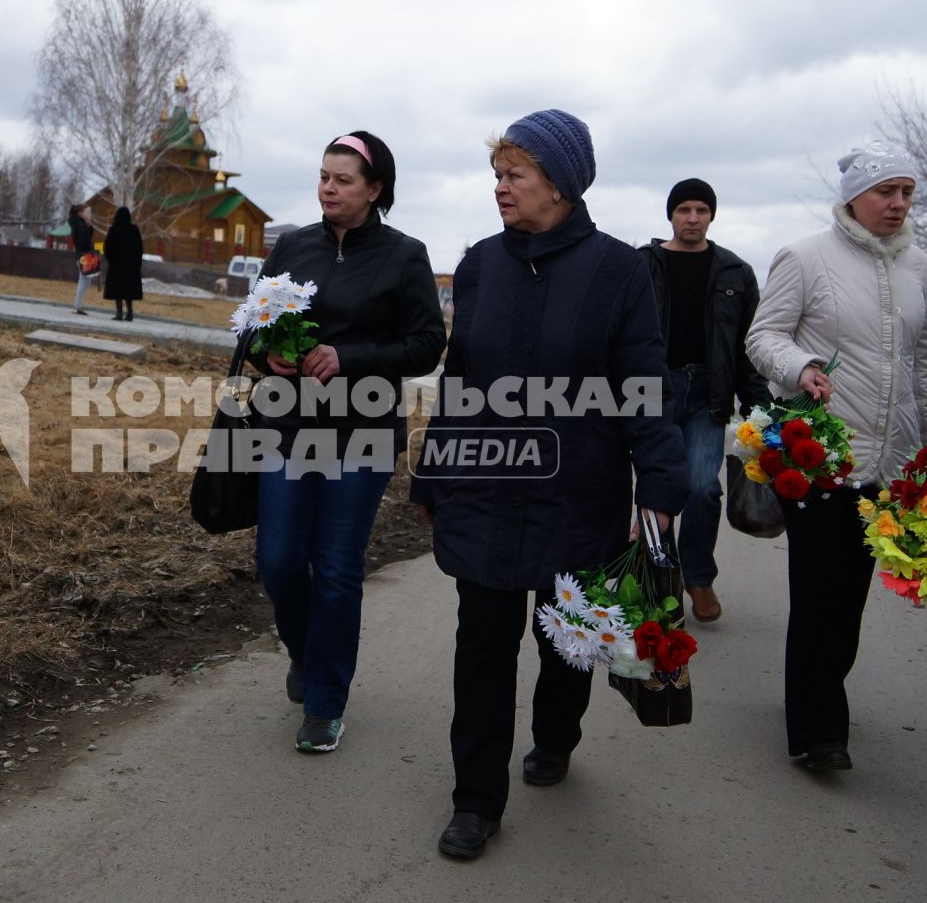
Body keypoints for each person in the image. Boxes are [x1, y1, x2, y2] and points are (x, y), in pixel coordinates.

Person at [412, 110, 687, 859]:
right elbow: (459, 380)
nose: (500, 189)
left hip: (580, 493)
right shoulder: (479, 266)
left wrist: (659, 484)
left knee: (565, 642)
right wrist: (433, 473)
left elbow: (643, 382)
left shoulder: (618, 271)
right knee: (483, 649)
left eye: (515, 176)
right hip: (487, 491)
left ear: (560, 184)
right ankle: (475, 800)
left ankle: (557, 735)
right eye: (496, 175)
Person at [745, 140, 927, 773]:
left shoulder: (920, 267)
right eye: (886, 191)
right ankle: (817, 729)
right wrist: (799, 365)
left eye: (907, 191)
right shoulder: (805, 257)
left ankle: (818, 692)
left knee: (851, 592)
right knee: (818, 588)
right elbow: (763, 336)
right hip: (819, 454)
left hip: (889, 456)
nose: (898, 203)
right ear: (854, 196)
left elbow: (925, 361)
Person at [249, 131, 444, 752]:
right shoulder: (293, 246)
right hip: (286, 429)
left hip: (360, 435)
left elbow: (425, 345)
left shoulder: (404, 256)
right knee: (278, 561)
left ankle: (327, 702)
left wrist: (350, 356)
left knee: (335, 569)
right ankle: (307, 655)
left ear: (375, 190)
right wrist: (269, 353)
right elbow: (252, 328)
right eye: (324, 176)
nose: (328, 188)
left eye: (343, 180)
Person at [638, 178, 767, 622]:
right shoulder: (643, 265)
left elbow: (748, 344)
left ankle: (698, 577)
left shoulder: (735, 272)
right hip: (652, 391)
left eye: (701, 210)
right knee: (655, 490)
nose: (692, 218)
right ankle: (661, 582)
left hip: (707, 393)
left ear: (711, 216)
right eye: (684, 210)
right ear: (670, 215)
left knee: (702, 487)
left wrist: (757, 405)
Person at [102, 206, 143, 321]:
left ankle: (119, 313)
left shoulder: (114, 229)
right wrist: (137, 263)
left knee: (117, 290)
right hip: (131, 267)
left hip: (117, 266)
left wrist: (111, 259)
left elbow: (107, 247)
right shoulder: (134, 230)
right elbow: (139, 248)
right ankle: (129, 313)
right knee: (129, 291)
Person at [68, 202, 96, 315]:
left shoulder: (80, 223)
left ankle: (78, 305)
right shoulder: (78, 224)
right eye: (87, 212)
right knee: (84, 280)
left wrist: (89, 226)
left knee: (85, 280)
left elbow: (87, 237)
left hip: (83, 254)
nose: (88, 214)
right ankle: (77, 306)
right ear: (80, 213)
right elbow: (83, 241)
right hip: (83, 255)